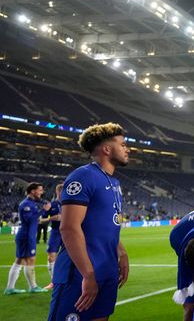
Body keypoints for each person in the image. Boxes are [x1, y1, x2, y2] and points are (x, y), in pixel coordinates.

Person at [47, 123, 130, 321]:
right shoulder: (84, 176)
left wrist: (122, 253)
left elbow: (106, 225)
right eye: (123, 144)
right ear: (107, 149)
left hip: (106, 270)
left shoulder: (114, 182)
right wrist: (87, 274)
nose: (128, 149)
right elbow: (68, 227)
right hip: (79, 274)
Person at [5, 182, 51, 295]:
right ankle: (33, 286)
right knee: (30, 259)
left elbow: (35, 217)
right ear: (32, 191)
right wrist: (44, 210)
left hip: (27, 235)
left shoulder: (31, 203)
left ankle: (10, 288)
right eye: (40, 190)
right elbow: (31, 220)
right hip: (26, 236)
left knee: (20, 260)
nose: (42, 192)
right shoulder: (26, 205)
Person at [44, 184, 64, 290]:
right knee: (51, 256)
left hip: (68, 232)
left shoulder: (70, 204)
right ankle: (54, 282)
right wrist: (51, 218)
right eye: (62, 191)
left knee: (71, 257)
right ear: (58, 192)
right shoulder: (51, 205)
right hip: (56, 232)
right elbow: (40, 219)